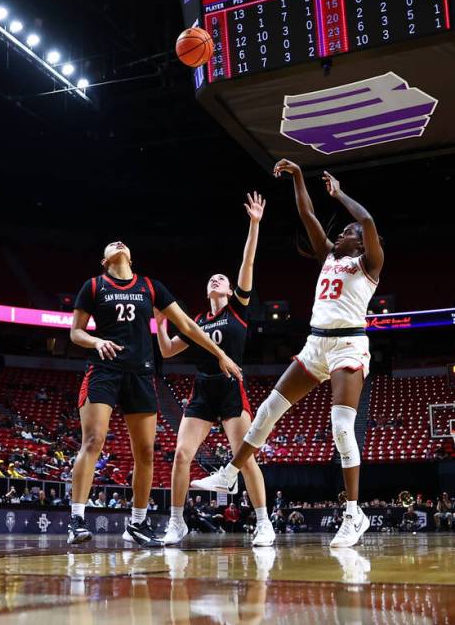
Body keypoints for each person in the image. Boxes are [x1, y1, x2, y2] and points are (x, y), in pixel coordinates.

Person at [194, 162, 384, 549]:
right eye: (344, 232)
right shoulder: (329, 256)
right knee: (266, 410)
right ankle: (230, 475)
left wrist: (340, 194)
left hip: (348, 345)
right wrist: (299, 177)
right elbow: (306, 213)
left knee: (342, 428)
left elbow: (366, 219)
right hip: (316, 345)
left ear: (360, 243)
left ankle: (353, 513)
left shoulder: (370, 264)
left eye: (348, 232)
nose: (343, 233)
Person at [67, 239, 242, 546]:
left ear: (130, 258)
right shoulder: (93, 286)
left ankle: (137, 523)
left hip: (141, 373)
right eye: (111, 245)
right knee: (94, 440)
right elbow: (75, 332)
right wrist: (95, 342)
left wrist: (220, 354)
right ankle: (77, 519)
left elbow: (187, 325)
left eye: (122, 243)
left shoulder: (150, 286)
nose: (118, 244)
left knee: (146, 452)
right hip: (104, 370)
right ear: (104, 260)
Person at [156, 193, 274, 547]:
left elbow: (247, 263)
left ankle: (264, 522)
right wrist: (161, 323)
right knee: (180, 454)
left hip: (230, 387)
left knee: (244, 457)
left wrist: (254, 225)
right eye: (212, 279)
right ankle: (177, 523)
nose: (216, 280)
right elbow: (167, 350)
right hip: (202, 390)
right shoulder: (196, 322)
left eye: (221, 278)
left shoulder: (237, 308)